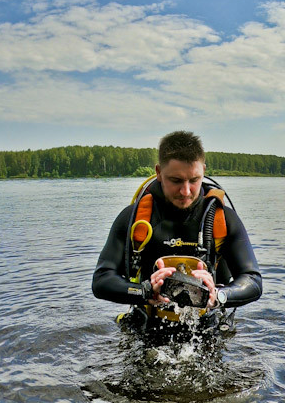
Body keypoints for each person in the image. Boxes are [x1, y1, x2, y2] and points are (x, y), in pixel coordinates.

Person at [92, 131, 262, 334]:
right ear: (158, 172)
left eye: (194, 179)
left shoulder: (222, 219)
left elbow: (253, 281)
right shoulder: (135, 219)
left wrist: (217, 295)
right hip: (147, 328)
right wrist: (145, 291)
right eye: (176, 180)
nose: (186, 191)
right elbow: (101, 280)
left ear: (204, 171)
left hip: (207, 329)